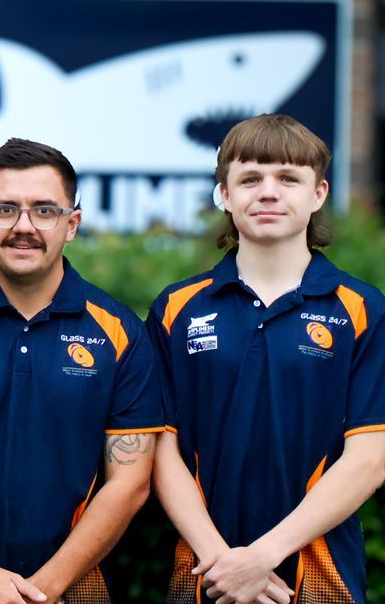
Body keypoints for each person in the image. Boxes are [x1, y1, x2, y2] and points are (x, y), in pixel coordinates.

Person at [0, 139, 168, 604]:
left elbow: (130, 483)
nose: (23, 227)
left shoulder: (121, 332)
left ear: (72, 224)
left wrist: (39, 592)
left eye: (44, 211)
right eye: (6, 209)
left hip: (75, 590)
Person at [150, 114, 385, 604]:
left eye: (288, 178)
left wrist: (260, 559)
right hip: (202, 577)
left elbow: (370, 456)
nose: (268, 192)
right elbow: (160, 450)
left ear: (318, 194)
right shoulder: (176, 309)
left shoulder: (364, 310)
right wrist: (223, 564)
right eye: (250, 178)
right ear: (225, 194)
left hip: (323, 582)